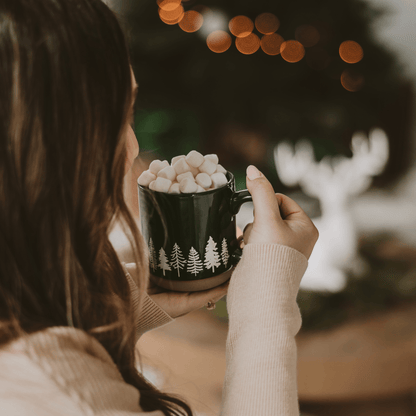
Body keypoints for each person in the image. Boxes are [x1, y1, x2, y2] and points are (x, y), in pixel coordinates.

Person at [0, 0, 318, 415]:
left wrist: (108, 306)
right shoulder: (64, 397)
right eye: (118, 115)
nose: (132, 145)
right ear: (41, 147)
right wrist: (265, 309)